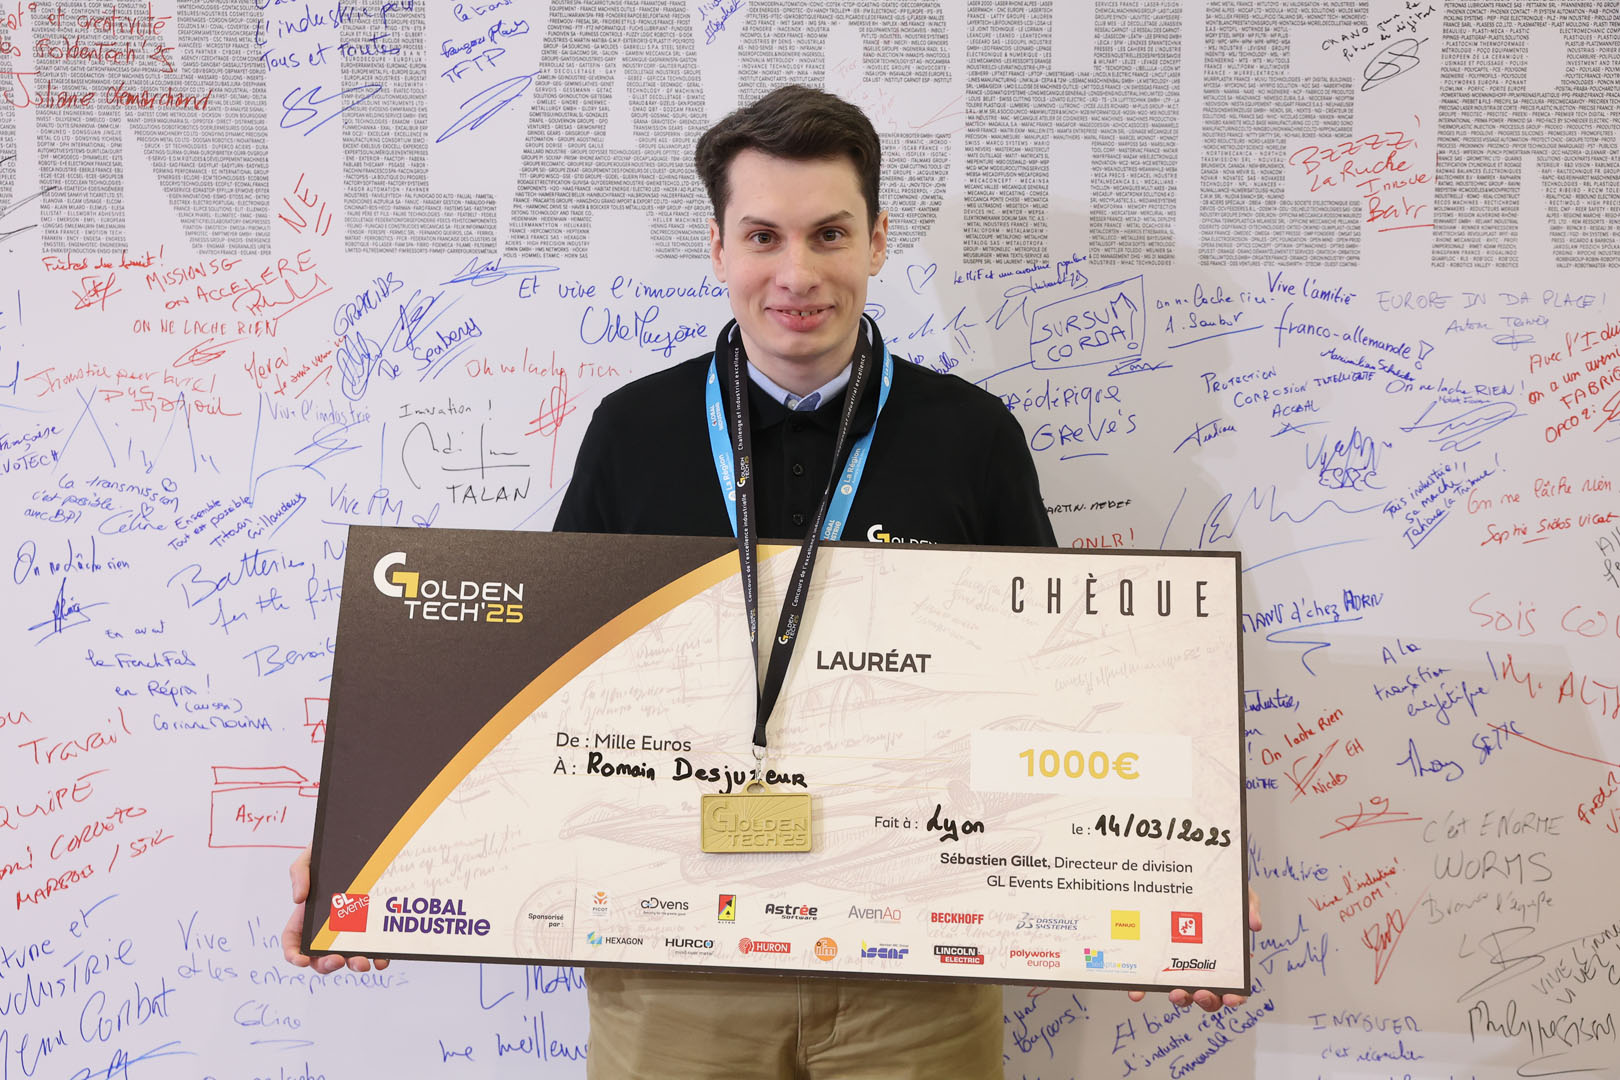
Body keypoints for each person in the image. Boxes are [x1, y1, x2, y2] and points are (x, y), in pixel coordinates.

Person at [283, 84, 1261, 1078]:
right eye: (763, 237)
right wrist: (380, 856)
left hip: (918, 974)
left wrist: (1185, 868)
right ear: (718, 248)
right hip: (674, 969)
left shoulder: (973, 436)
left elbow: (1069, 681)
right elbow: (543, 689)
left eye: (829, 234)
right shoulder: (633, 431)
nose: (798, 273)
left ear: (876, 241)